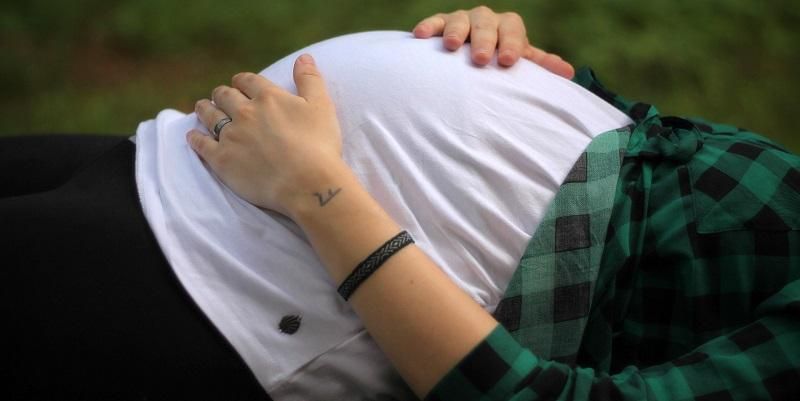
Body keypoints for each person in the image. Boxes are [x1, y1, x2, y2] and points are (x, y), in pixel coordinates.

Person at [3, 7, 798, 401]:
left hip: (235, 286)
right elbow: (663, 173)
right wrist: (527, 66)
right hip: (178, 158)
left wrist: (317, 188)